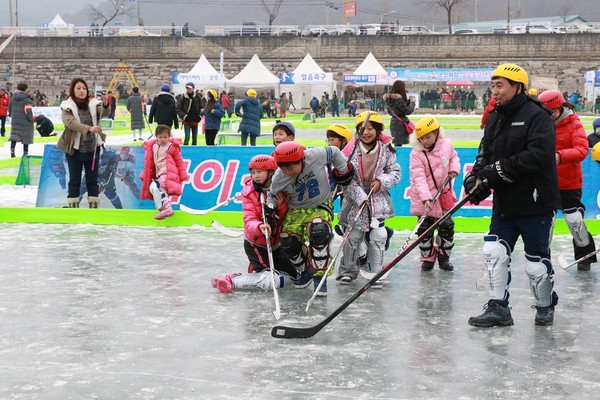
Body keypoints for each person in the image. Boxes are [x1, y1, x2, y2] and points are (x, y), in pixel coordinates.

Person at [462, 63, 561, 328]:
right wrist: (475, 178)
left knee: (536, 264)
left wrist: (496, 171)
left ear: (517, 87)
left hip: (536, 201)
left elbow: (538, 156)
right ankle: (498, 308)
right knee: (494, 251)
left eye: (500, 85)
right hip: (505, 202)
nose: (494, 91)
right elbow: (485, 153)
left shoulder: (537, 116)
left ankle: (544, 305)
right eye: (492, 85)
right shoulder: (495, 115)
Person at [268, 140, 354, 296]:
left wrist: (342, 170)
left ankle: (320, 280)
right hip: (296, 211)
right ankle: (305, 270)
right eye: (283, 167)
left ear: (301, 160)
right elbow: (270, 197)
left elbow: (334, 151)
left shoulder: (313, 155)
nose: (287, 171)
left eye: (291, 166)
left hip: (320, 205)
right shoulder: (279, 177)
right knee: (287, 240)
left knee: (319, 231)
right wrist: (273, 207)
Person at [211, 155, 300, 294]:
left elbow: (283, 219)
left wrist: (281, 205)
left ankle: (254, 271)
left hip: (275, 244)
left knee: (295, 277)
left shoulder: (281, 189)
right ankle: (231, 280)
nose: (256, 176)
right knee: (269, 279)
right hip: (256, 244)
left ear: (271, 173)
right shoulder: (249, 192)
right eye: (253, 172)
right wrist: (259, 227)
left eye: (259, 172)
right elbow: (249, 219)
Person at [336, 112, 400, 285]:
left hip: (377, 199)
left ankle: (374, 272)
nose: (366, 132)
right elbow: (345, 178)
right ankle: (348, 270)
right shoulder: (349, 151)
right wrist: (359, 196)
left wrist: (381, 181)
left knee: (378, 235)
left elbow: (395, 172)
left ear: (378, 130)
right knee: (354, 235)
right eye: (362, 129)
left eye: (370, 129)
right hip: (354, 201)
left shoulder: (386, 148)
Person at [538, 90, 597, 271]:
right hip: (545, 181)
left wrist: (559, 156)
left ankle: (585, 256)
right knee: (546, 221)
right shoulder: (539, 123)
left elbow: (581, 150)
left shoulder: (574, 124)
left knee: (574, 219)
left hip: (569, 181)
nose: (548, 116)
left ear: (560, 108)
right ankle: (541, 256)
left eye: (551, 112)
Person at [408, 117, 460, 271]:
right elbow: (418, 178)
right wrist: (426, 197)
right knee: (424, 230)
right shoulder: (416, 154)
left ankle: (444, 258)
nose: (425, 141)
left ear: (437, 133)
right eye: (421, 138)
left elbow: (454, 157)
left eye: (428, 137)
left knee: (447, 227)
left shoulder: (447, 145)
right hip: (425, 200)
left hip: (444, 196)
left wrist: (454, 169)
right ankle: (428, 258)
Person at [56, 77, 110, 208]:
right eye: (78, 88)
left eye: (84, 88)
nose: (82, 91)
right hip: (74, 148)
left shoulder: (93, 103)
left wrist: (106, 103)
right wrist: (89, 128)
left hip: (92, 149)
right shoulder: (66, 106)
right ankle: (73, 205)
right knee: (74, 180)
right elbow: (71, 123)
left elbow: (104, 113)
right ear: (72, 90)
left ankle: (93, 205)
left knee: (92, 180)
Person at [139, 124, 189, 220]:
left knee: (155, 187)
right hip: (159, 174)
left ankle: (166, 208)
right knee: (157, 190)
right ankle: (165, 209)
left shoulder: (171, 147)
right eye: (160, 137)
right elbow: (149, 164)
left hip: (167, 173)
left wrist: (183, 175)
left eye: (165, 137)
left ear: (169, 136)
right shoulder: (153, 146)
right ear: (156, 137)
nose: (163, 139)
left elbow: (179, 162)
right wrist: (144, 175)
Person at [383, 80, 414, 147]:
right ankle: (397, 157)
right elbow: (408, 111)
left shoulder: (389, 99)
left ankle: (396, 156)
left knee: (397, 144)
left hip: (394, 122)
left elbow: (394, 111)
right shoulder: (398, 100)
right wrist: (413, 103)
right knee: (398, 145)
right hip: (400, 124)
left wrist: (407, 102)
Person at [7, 82, 34, 158]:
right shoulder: (27, 100)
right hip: (25, 121)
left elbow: (9, 108)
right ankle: (25, 153)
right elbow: (28, 112)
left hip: (15, 120)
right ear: (25, 89)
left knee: (14, 136)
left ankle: (12, 151)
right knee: (26, 137)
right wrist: (31, 120)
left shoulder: (13, 98)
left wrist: (12, 115)